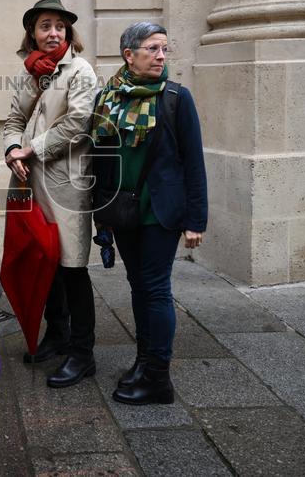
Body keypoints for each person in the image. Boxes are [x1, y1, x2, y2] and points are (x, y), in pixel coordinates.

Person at [90, 22, 207, 406]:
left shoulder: (176, 98)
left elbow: (194, 163)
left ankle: (158, 377)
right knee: (138, 286)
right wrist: (101, 211)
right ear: (129, 54)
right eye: (153, 49)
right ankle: (144, 361)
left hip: (161, 213)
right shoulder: (109, 97)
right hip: (124, 212)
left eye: (164, 49)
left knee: (155, 289)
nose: (161, 56)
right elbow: (101, 158)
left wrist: (195, 220)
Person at [3, 0, 98, 388]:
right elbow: (13, 119)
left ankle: (83, 353)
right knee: (45, 261)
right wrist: (11, 149)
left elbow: (78, 123)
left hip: (66, 187)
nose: (53, 32)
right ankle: (56, 333)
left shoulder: (80, 71)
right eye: (45, 25)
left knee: (72, 268)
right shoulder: (29, 74)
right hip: (28, 184)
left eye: (59, 26)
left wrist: (32, 148)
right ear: (32, 33)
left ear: (68, 31)